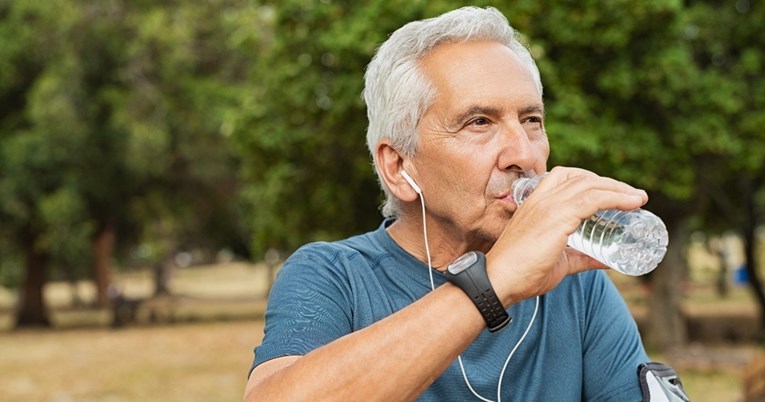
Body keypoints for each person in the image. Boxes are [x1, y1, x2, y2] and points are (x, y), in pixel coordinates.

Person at [244, 6, 688, 401]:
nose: (524, 154)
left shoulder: (576, 287)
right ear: (399, 166)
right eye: (479, 122)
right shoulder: (336, 276)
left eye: (531, 120)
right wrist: (492, 284)